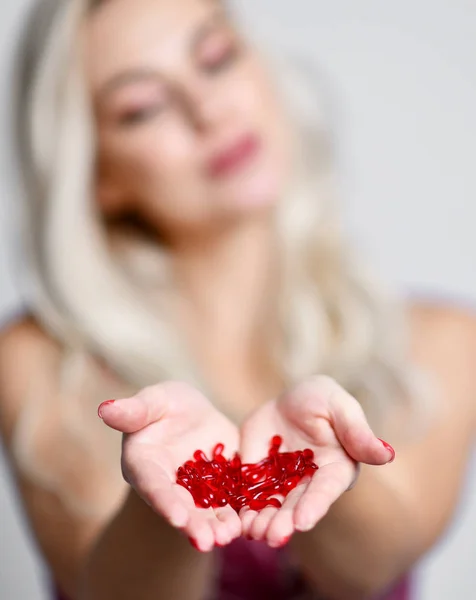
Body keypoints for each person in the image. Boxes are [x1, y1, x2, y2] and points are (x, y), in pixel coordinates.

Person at [0, 0, 474, 598]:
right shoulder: (38, 361)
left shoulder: (441, 343)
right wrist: (169, 497)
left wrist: (310, 469)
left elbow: (368, 570)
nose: (208, 110)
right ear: (98, 176)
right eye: (142, 108)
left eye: (216, 59)